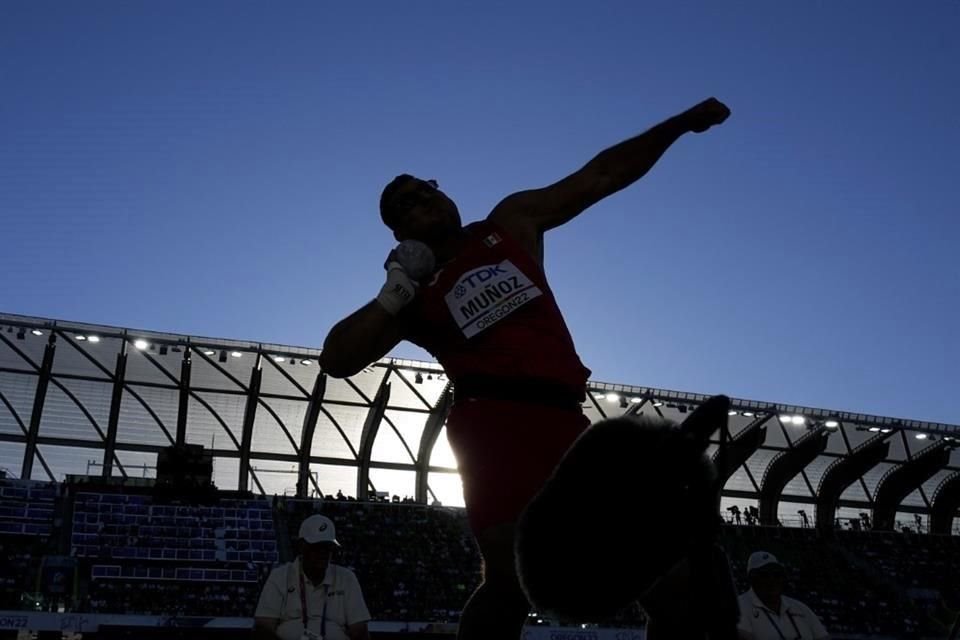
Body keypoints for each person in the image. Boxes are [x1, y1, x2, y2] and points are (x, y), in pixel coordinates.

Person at [319, 97, 731, 639]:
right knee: (512, 578)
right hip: (491, 422)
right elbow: (337, 357)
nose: (423, 199)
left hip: (565, 420)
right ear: (400, 233)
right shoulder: (414, 296)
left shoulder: (510, 223)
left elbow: (601, 176)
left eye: (426, 189)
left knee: (665, 575)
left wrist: (678, 125)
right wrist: (397, 288)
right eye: (407, 205)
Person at [254, 514, 371, 640]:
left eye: (328, 548)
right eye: (317, 547)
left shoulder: (346, 578)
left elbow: (359, 631)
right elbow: (263, 628)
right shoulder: (280, 576)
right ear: (302, 547)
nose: (323, 553)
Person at [737, 551, 829, 640]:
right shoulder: (739, 606)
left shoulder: (801, 608)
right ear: (752, 578)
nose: (772, 580)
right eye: (764, 575)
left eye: (777, 574)